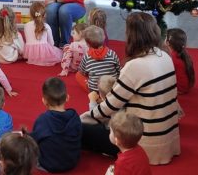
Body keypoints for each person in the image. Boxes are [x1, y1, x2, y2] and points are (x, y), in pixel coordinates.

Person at [83, 12, 180, 165]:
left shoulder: (135, 66)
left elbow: (110, 106)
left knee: (80, 130)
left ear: (131, 36)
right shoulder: (164, 56)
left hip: (140, 141)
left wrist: (81, 118)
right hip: (167, 137)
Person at [31, 77, 82, 173]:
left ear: (44, 101)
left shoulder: (43, 120)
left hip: (47, 164)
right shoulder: (74, 116)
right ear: (67, 97)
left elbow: (34, 141)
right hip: (72, 162)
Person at [105, 110, 152, 175]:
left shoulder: (122, 163)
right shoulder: (140, 149)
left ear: (117, 140)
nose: (109, 133)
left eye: (110, 131)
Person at [76, 25, 120, 93]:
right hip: (112, 88)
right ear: (104, 38)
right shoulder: (112, 53)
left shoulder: (87, 57)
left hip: (95, 90)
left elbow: (83, 72)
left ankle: (96, 94)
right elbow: (118, 70)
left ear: (87, 44)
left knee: (78, 75)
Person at [23, 1, 62, 66]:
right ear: (44, 14)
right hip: (44, 54)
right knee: (60, 52)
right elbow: (51, 43)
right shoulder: (46, 26)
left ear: (30, 14)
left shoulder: (26, 25)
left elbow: (28, 41)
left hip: (31, 54)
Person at [166, 28, 195, 94]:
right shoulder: (184, 54)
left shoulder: (172, 58)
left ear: (167, 42)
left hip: (179, 88)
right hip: (186, 86)